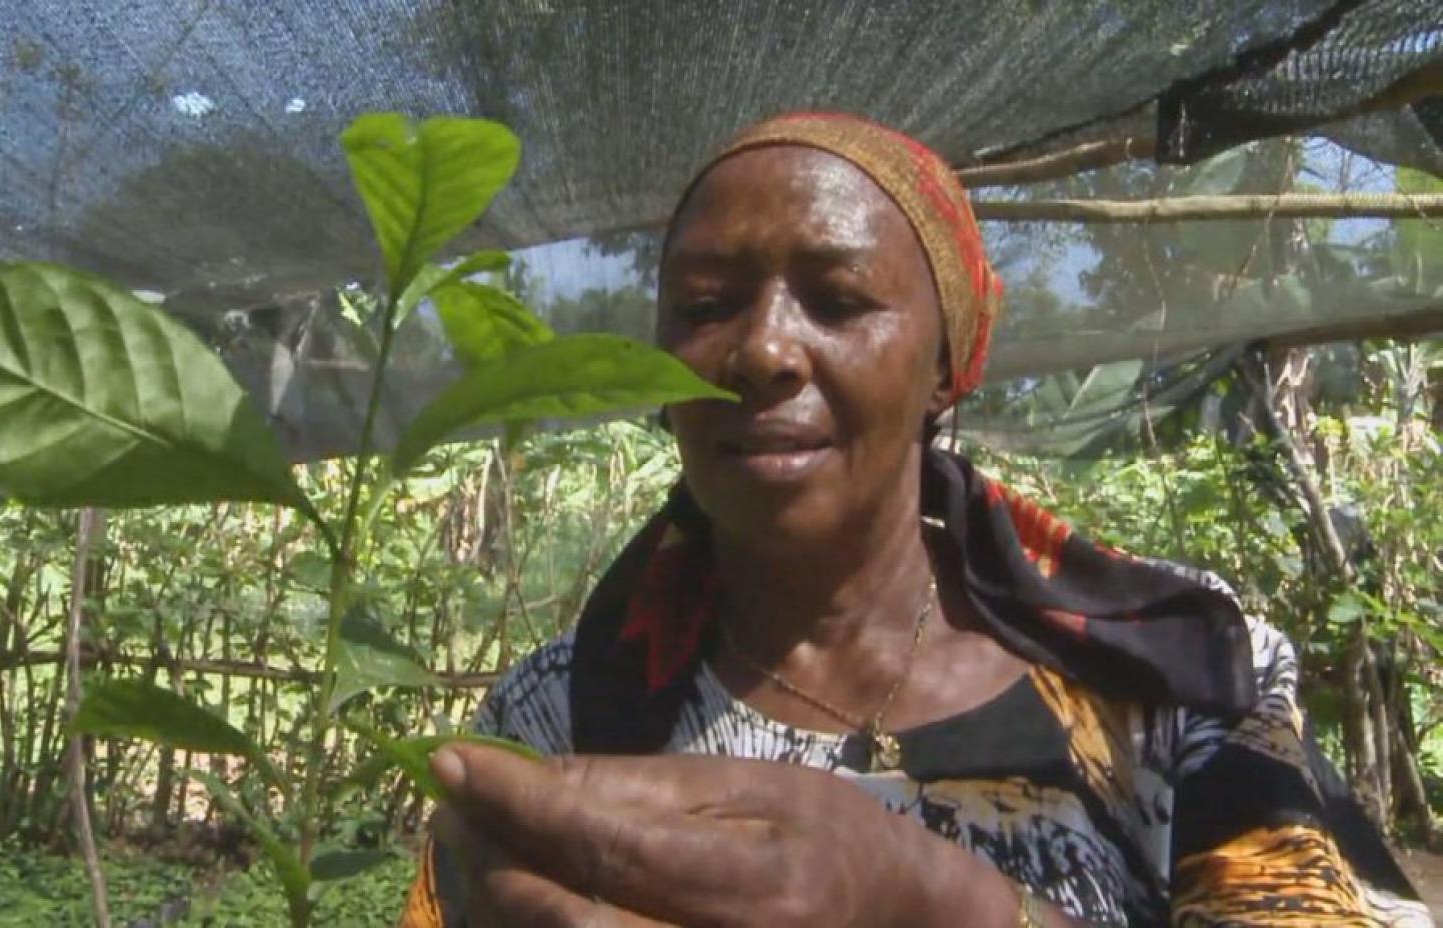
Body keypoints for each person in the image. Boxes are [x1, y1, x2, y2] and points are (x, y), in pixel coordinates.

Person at [398, 112, 1433, 927]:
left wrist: (938, 901)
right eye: (708, 303)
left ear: (947, 364)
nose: (761, 351)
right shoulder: (562, 714)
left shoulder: (1174, 677)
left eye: (838, 300)